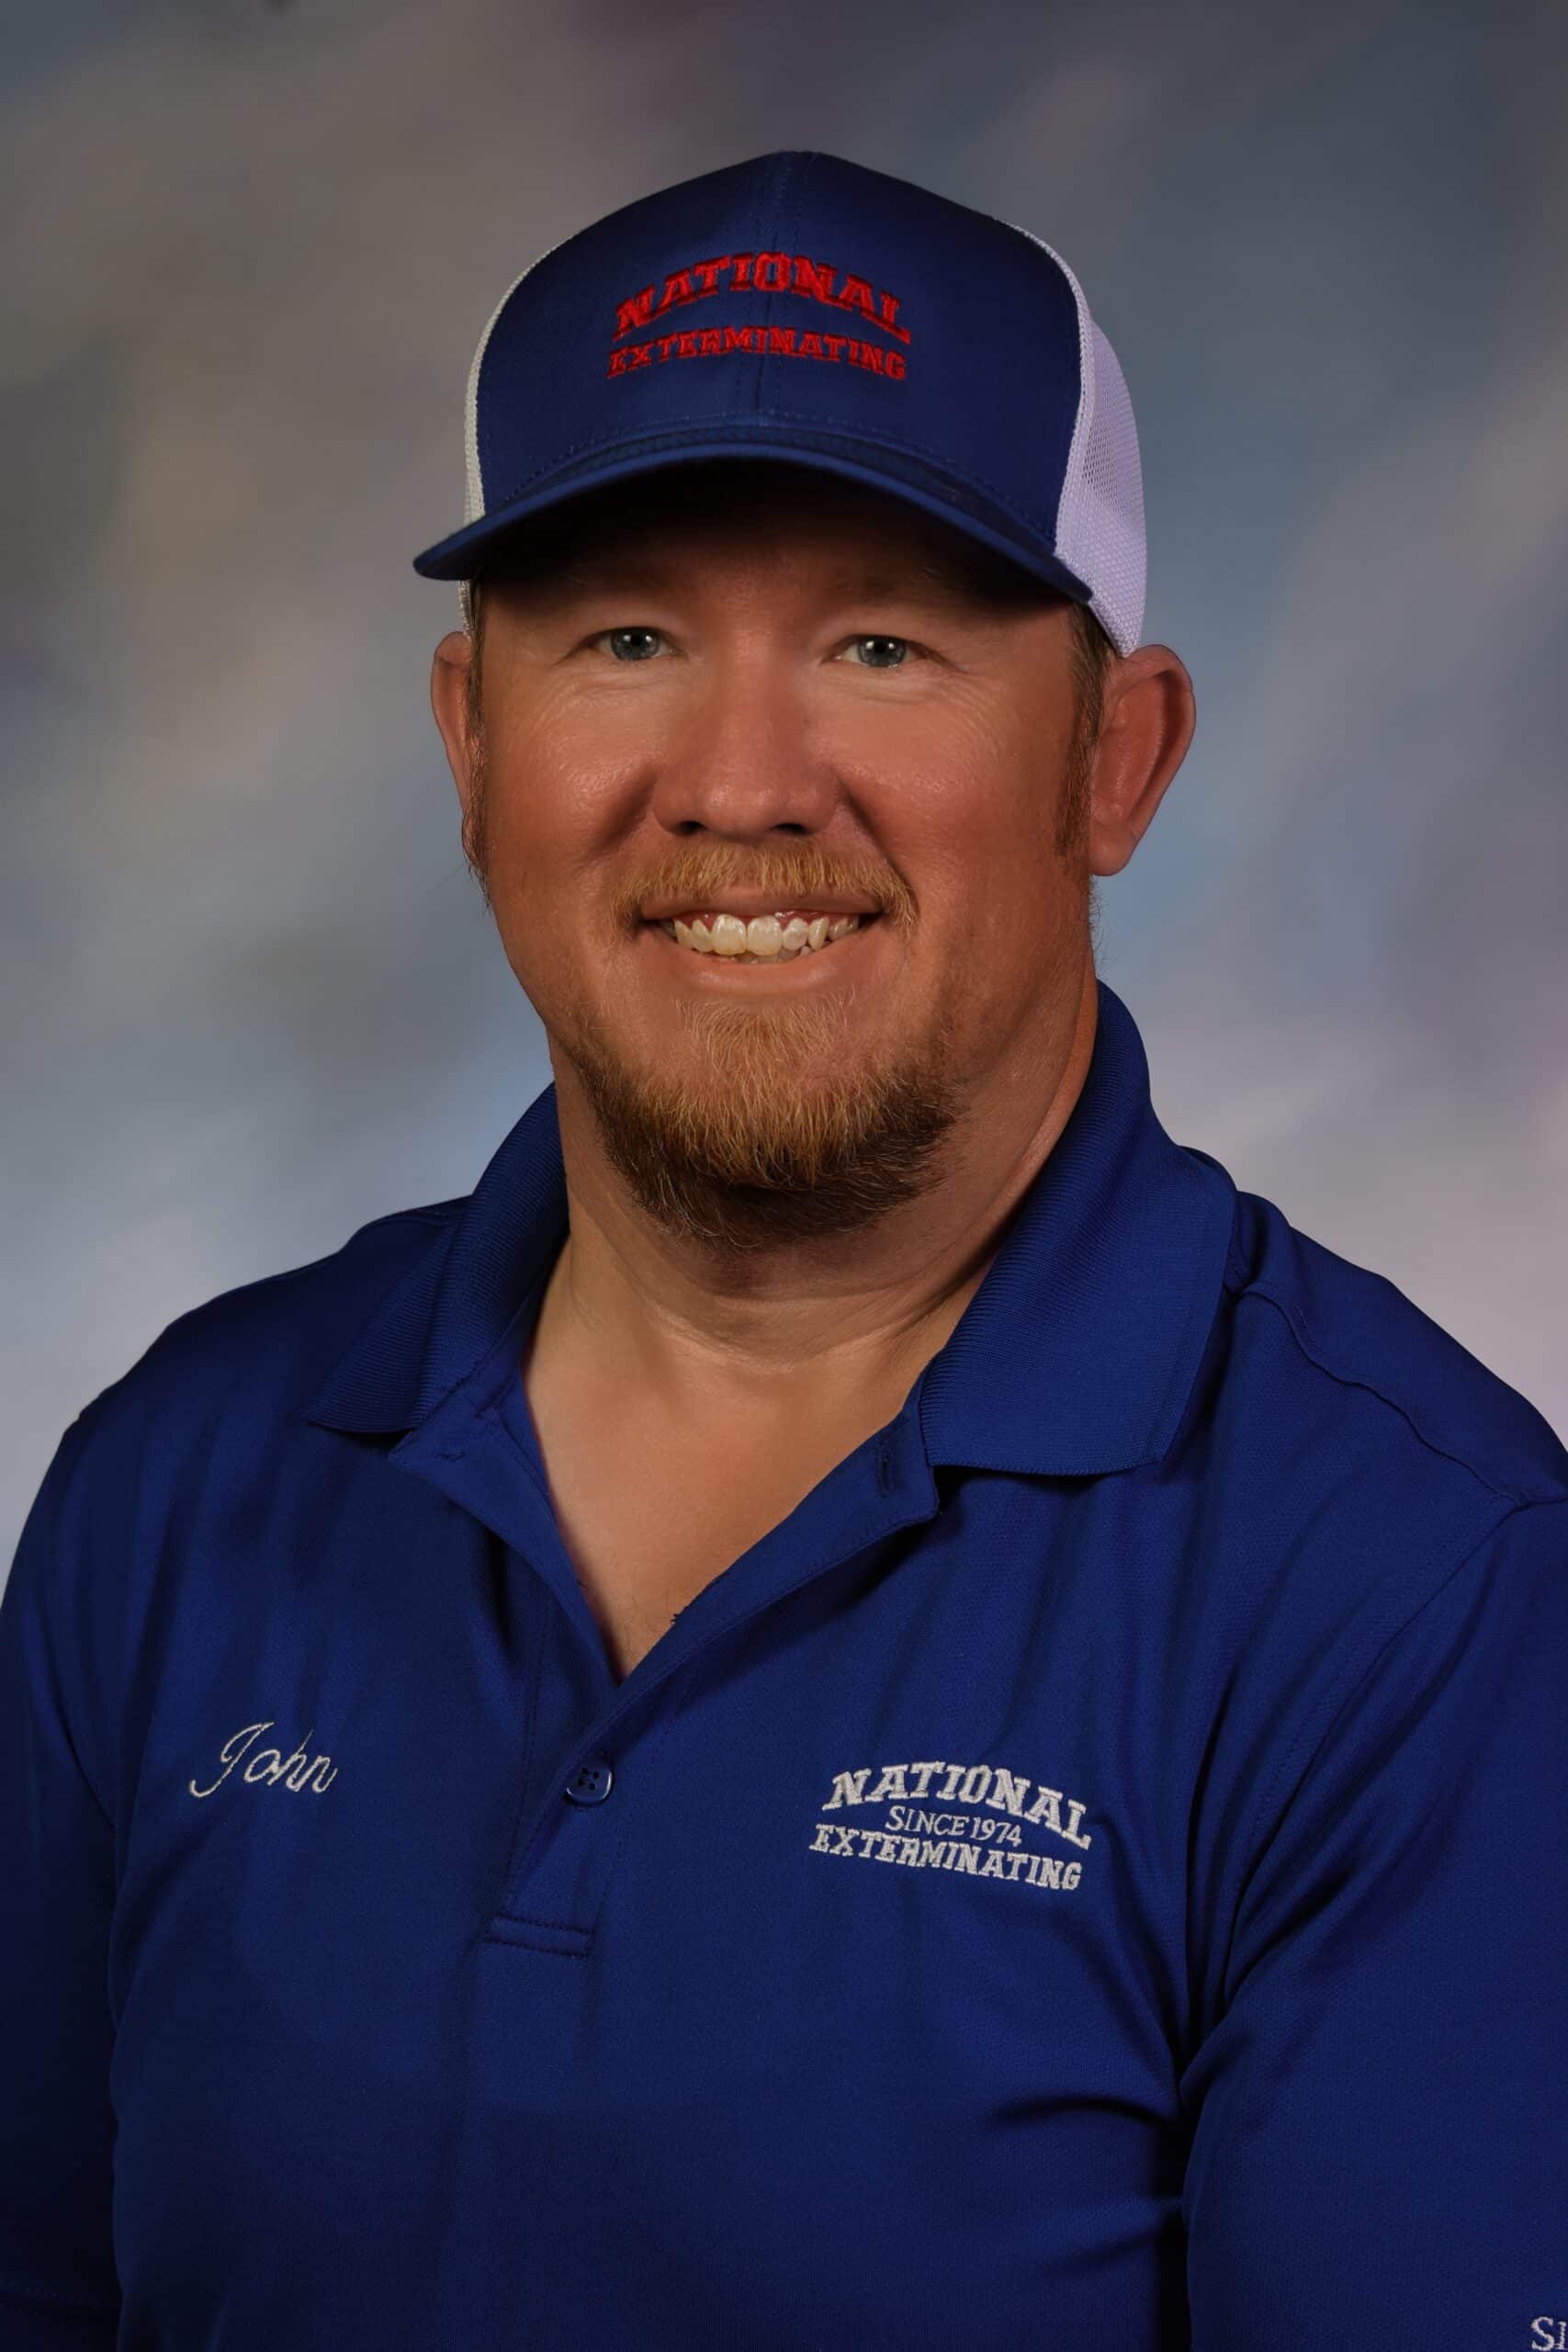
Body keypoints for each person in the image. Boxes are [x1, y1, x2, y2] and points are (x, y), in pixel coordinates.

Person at [2, 147, 1564, 2352]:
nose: (741, 778)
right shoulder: (176, 1478)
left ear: (1114, 760)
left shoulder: (1418, 1589)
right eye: (628, 635)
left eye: (881, 638)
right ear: (472, 746)